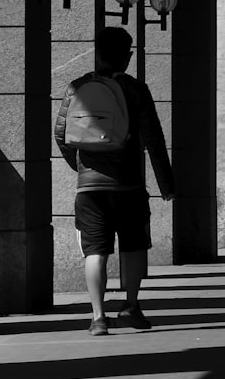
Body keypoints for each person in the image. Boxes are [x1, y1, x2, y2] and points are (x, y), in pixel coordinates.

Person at [54, 27, 175, 336]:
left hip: (90, 189)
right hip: (129, 185)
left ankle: (97, 317)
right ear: (128, 56)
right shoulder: (136, 89)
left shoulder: (77, 87)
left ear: (97, 53)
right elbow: (154, 138)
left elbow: (61, 134)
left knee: (95, 251)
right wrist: (166, 183)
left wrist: (79, 166)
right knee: (133, 247)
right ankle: (131, 307)